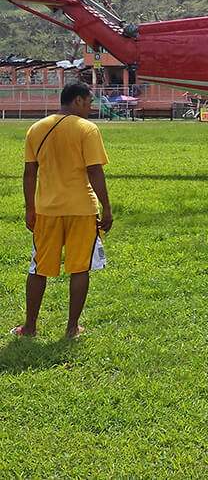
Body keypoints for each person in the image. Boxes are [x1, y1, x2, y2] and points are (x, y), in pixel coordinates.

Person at [13, 81, 112, 339]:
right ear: (77, 100)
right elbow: (94, 171)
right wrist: (107, 208)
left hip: (46, 209)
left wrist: (30, 208)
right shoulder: (87, 129)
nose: (91, 107)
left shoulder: (36, 129)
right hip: (82, 209)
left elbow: (29, 173)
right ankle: (71, 328)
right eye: (89, 102)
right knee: (80, 269)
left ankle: (30, 327)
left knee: (38, 268)